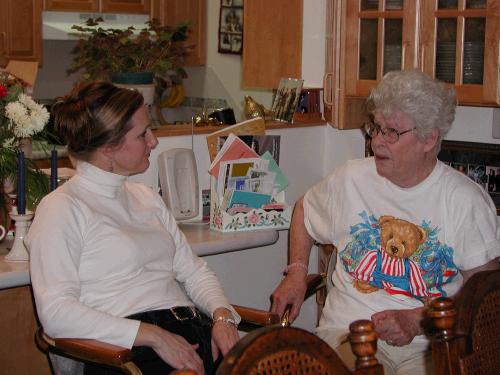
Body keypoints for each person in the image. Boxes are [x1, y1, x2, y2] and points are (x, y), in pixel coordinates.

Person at [271, 70, 500, 375]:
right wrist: (297, 273)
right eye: (375, 128)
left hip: (429, 347)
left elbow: (484, 298)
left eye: (391, 132)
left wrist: (418, 320)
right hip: (346, 335)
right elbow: (304, 210)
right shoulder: (351, 178)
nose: (377, 141)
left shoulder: (463, 200)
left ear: (428, 139)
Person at [26, 82, 239, 375]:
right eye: (143, 134)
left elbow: (193, 271)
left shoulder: (146, 197)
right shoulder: (62, 208)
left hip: (191, 332)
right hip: (124, 354)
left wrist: (222, 315)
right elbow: (56, 314)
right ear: (108, 148)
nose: (153, 141)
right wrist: (153, 336)